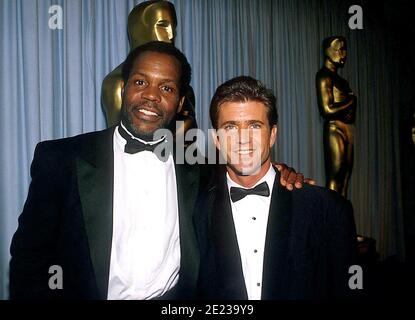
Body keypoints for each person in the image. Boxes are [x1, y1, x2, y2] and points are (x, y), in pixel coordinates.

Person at [9, 42, 306, 300]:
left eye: (166, 87)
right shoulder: (61, 159)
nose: (151, 95)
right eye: (140, 82)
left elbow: (246, 171)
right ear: (124, 88)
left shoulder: (196, 165)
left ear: (179, 102)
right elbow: (29, 260)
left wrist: (282, 173)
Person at [195, 76, 358, 300]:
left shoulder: (328, 209)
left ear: (272, 135)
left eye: (254, 126)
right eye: (231, 127)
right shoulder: (198, 208)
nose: (243, 139)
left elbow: (353, 286)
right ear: (216, 139)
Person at [101, 0, 197, 142]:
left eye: (167, 88)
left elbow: (190, 140)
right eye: (163, 25)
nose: (170, 34)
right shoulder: (115, 82)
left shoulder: (184, 87)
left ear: (180, 102)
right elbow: (115, 140)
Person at [316, 36, 357, 198]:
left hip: (348, 129)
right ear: (328, 51)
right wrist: (351, 102)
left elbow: (350, 114)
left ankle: (342, 217)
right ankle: (332, 218)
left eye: (344, 49)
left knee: (345, 178)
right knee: (335, 177)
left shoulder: (342, 81)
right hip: (335, 128)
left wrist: (349, 105)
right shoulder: (323, 76)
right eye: (339, 49)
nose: (343, 54)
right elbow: (327, 109)